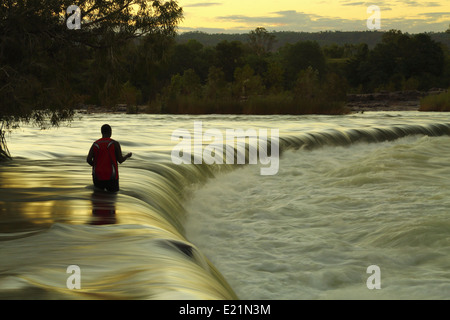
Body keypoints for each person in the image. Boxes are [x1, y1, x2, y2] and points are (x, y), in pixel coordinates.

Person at [87, 124, 132, 192]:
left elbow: (88, 160)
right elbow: (120, 160)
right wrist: (127, 156)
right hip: (112, 176)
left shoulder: (95, 144)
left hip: (98, 176)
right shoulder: (115, 143)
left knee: (98, 199)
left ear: (101, 132)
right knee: (112, 199)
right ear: (110, 132)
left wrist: (98, 166)